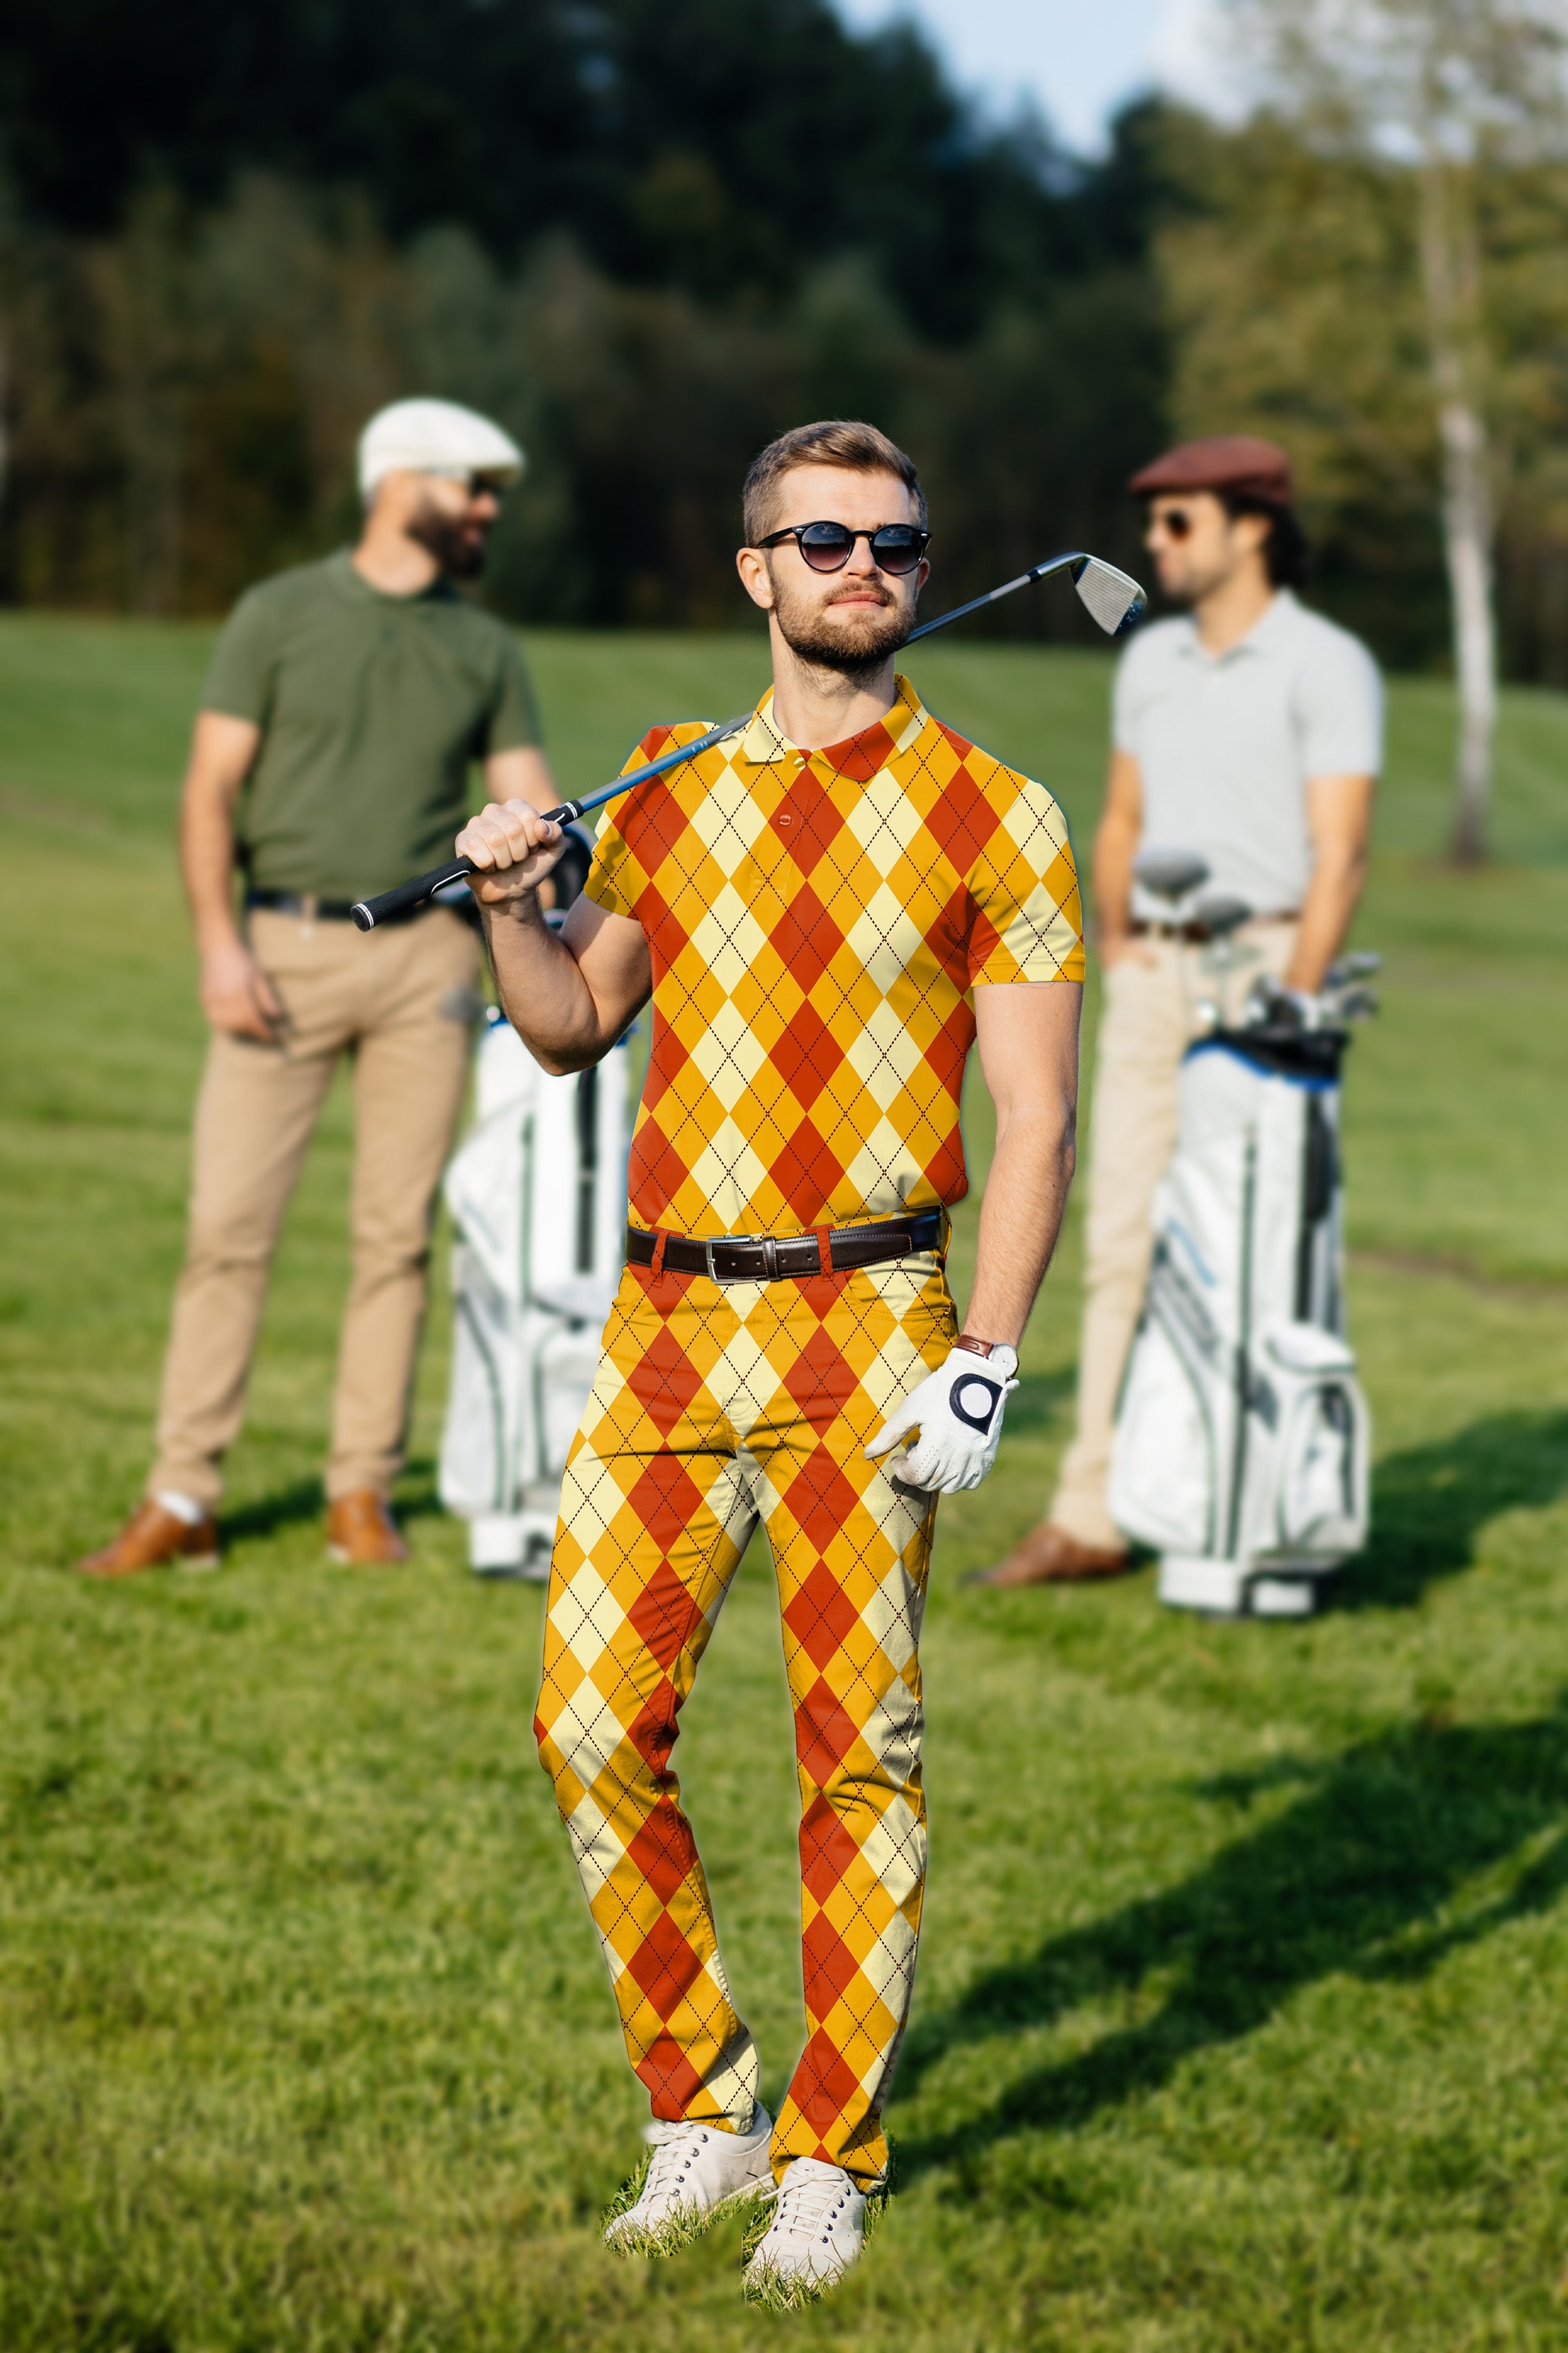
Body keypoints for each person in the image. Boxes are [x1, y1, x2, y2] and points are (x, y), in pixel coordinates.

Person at [453, 420, 1084, 2301]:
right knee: (587, 1725)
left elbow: (1038, 1120)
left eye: (893, 538)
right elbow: (569, 1025)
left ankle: (830, 2152)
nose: (863, 564)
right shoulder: (661, 785)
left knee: (855, 1753)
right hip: (663, 1325)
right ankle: (702, 2101)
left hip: (870, 1323)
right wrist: (506, 899)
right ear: (760, 575)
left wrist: (987, 1352)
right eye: (822, 539)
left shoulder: (1000, 810)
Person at [77, 398, 558, 1577]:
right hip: (278, 950)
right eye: (473, 486)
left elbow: (535, 802)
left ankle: (360, 1497)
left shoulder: (484, 645)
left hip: (430, 967)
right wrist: (217, 947)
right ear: (400, 483)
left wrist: (552, 897)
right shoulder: (277, 615)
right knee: (226, 1230)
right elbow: (209, 792)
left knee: (395, 1237)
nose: (490, 508)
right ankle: (183, 1494)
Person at [979, 433, 1382, 1589]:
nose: (1155, 543)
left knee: (1250, 1251)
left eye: (1179, 522)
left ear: (1253, 525)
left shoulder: (1326, 662)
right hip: (1153, 974)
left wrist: (1293, 1004)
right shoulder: (1149, 661)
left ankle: (1246, 1508)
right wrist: (1120, 945)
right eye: (1150, 522)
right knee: (1117, 1245)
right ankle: (1094, 1511)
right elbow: (1119, 821)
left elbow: (1342, 854)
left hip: (1265, 972)